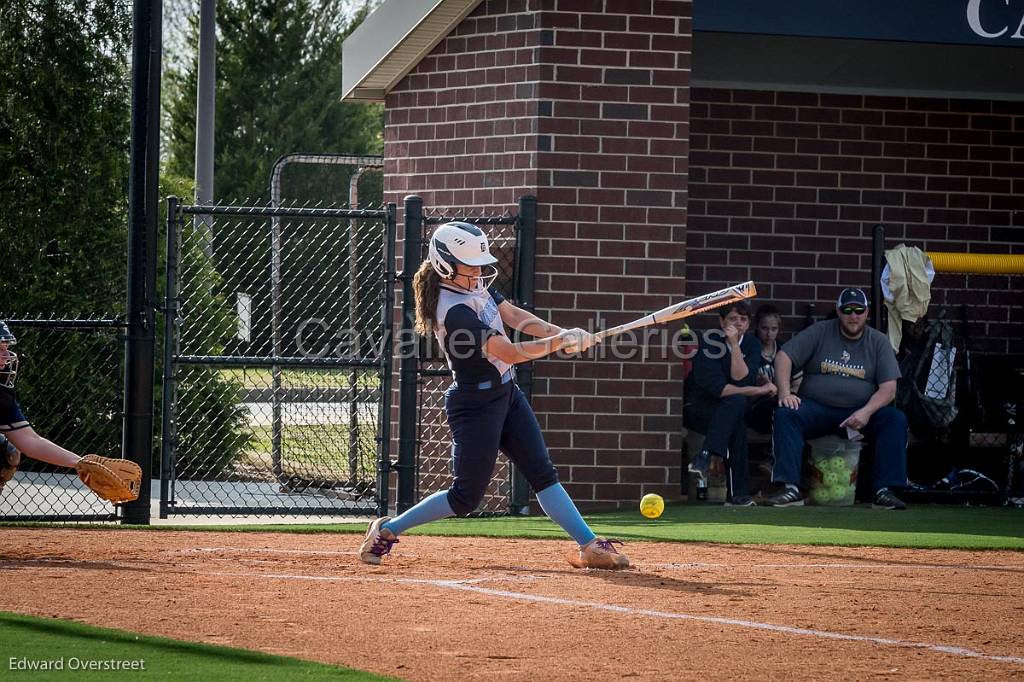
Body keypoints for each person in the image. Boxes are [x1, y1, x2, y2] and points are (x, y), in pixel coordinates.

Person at [358, 222, 629, 570]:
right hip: (475, 406)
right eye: (470, 265)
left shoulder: (475, 287)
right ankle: (388, 528)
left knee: (543, 473)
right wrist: (559, 343)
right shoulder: (454, 313)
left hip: (506, 394)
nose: (479, 271)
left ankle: (589, 544)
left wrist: (561, 332)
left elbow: (514, 315)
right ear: (445, 265)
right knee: (465, 497)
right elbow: (509, 351)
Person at [762, 288, 909, 510]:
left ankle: (883, 491)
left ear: (867, 312)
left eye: (859, 310)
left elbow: (889, 388)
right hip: (817, 409)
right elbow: (784, 357)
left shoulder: (878, 341)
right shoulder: (820, 331)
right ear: (839, 312)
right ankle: (790, 488)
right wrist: (785, 393)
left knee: (895, 419)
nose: (854, 315)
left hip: (860, 413)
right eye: (847, 310)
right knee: (786, 413)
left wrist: (866, 412)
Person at [0, 321, 140, 501]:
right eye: (0, 349)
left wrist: (80, 463)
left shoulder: (2, 394)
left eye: (6, 348)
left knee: (6, 451)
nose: (6, 356)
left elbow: (31, 441)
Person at [684, 300, 776, 506]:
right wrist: (761, 389)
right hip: (699, 407)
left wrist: (734, 345)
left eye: (743, 320)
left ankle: (705, 457)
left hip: (727, 411)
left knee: (736, 420)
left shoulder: (751, 344)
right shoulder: (709, 343)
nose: (739, 324)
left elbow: (741, 378)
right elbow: (722, 390)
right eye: (733, 319)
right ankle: (738, 494)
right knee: (735, 410)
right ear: (721, 321)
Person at [745, 304, 801, 434]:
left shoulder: (785, 350)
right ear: (757, 327)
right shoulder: (748, 349)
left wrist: (782, 391)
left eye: (774, 329)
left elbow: (798, 384)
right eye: (764, 328)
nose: (769, 334)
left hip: (782, 403)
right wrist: (759, 388)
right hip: (756, 407)